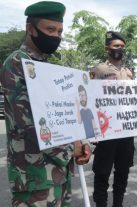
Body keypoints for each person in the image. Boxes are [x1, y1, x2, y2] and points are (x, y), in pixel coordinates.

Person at [0, 2, 91, 206]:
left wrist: (81, 142)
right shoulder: (16, 63)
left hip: (59, 172)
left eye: (59, 31)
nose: (56, 36)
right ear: (30, 29)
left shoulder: (48, 68)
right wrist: (70, 149)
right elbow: (28, 122)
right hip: (34, 176)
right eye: (50, 29)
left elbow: (63, 116)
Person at [91, 31, 134, 207]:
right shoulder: (99, 70)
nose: (120, 49)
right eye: (116, 46)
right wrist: (92, 131)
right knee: (102, 172)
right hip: (106, 130)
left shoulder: (129, 72)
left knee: (123, 171)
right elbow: (90, 99)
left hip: (126, 131)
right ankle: (101, 204)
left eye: (122, 47)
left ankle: (118, 203)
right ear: (107, 48)